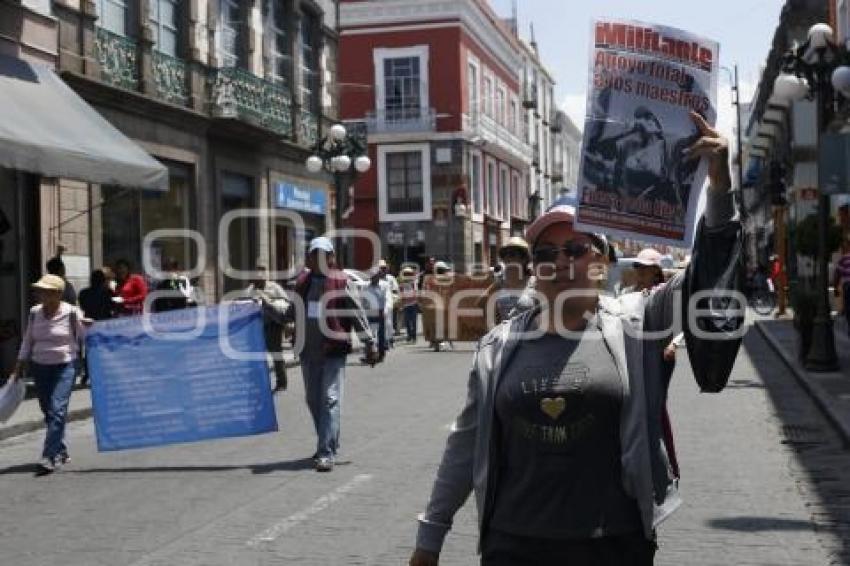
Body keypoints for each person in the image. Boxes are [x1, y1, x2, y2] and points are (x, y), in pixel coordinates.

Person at [409, 112, 742, 566]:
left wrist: (719, 190)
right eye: (546, 253)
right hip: (513, 545)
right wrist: (430, 538)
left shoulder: (638, 321)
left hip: (613, 544)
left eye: (576, 249)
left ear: (603, 262)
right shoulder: (497, 347)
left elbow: (705, 277)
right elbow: (465, 446)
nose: (560, 261)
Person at [291, 237, 377, 472]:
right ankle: (328, 441)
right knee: (313, 400)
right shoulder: (302, 283)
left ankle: (325, 452)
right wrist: (263, 307)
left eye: (323, 255)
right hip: (308, 351)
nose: (319, 260)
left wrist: (369, 341)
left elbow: (356, 312)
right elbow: (291, 312)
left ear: (331, 258)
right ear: (309, 258)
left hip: (333, 350)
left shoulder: (341, 282)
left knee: (329, 399)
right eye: (314, 255)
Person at [12, 275, 90, 475]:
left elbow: (86, 337)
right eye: (40, 291)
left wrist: (92, 327)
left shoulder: (72, 313)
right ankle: (60, 449)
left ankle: (48, 456)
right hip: (40, 367)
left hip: (65, 366)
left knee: (57, 409)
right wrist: (19, 366)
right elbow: (28, 340)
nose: (41, 294)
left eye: (45, 291)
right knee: (48, 411)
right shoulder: (34, 313)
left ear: (57, 294)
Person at [244, 265, 289, 392]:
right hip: (257, 326)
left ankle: (281, 382)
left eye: (261, 277)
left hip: (273, 325)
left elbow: (286, 304)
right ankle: (261, 384)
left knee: (276, 354)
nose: (259, 280)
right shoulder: (250, 290)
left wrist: (270, 303)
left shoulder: (274, 288)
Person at [478, 237, 536, 325]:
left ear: (524, 259)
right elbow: (480, 303)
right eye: (505, 255)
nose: (507, 258)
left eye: (512, 255)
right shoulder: (500, 284)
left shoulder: (535, 283)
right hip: (506, 336)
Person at [362, 271, 393, 363]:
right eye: (372, 277)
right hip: (369, 312)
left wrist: (386, 311)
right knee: (369, 334)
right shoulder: (366, 287)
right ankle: (369, 354)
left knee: (381, 334)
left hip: (380, 311)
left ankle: (381, 354)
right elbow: (363, 300)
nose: (374, 278)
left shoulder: (384, 286)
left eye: (376, 276)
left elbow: (388, 299)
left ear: (378, 276)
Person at [379, 259, 401, 341]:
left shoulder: (390, 278)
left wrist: (394, 299)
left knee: (389, 322)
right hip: (378, 304)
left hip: (389, 303)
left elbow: (395, 290)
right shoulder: (375, 279)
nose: (383, 270)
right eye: (381, 268)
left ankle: (389, 339)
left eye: (384, 268)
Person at [399, 267, 419, 343]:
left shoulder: (414, 283)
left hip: (413, 304)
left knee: (413, 322)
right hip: (406, 305)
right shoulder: (402, 284)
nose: (407, 275)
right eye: (406, 273)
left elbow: (416, 292)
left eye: (409, 273)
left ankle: (414, 336)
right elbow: (400, 294)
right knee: (407, 322)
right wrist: (401, 303)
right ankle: (409, 335)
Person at [833, 247, 850, 335]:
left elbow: (837, 273)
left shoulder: (844, 258)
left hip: (848, 287)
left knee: (848, 309)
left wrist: (835, 287)